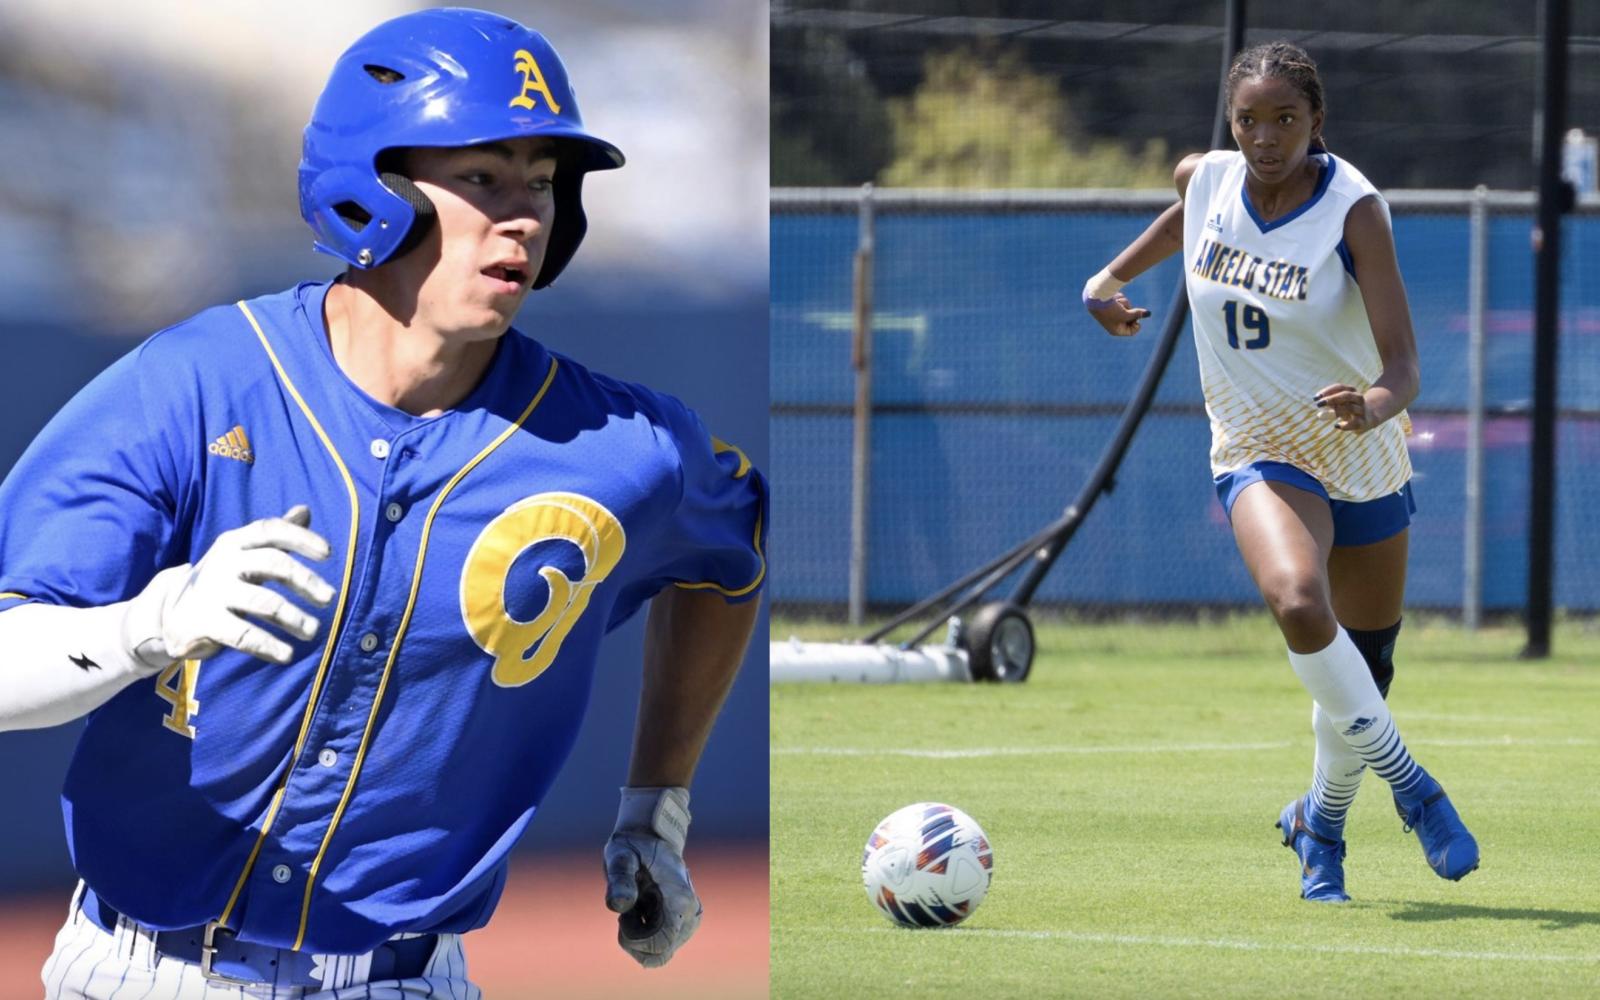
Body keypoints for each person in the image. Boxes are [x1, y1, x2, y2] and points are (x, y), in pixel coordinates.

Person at [0, 8, 765, 996]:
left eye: (541, 181)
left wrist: (657, 807)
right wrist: (151, 623)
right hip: (141, 970)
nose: (523, 215)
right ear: (372, 189)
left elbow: (728, 549)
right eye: (482, 178)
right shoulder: (196, 383)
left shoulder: (625, 447)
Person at [1081, 41, 1476, 903]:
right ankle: (1416, 789)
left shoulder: (1354, 209)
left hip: (1360, 445)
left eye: (1285, 120)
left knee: (1363, 676)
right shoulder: (1209, 176)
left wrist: (1373, 404)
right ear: (1232, 123)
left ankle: (1320, 825)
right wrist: (1105, 280)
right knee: (1300, 604)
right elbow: (1186, 213)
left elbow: (1405, 367)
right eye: (1249, 120)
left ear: (1317, 122)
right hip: (1259, 444)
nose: (1265, 138)